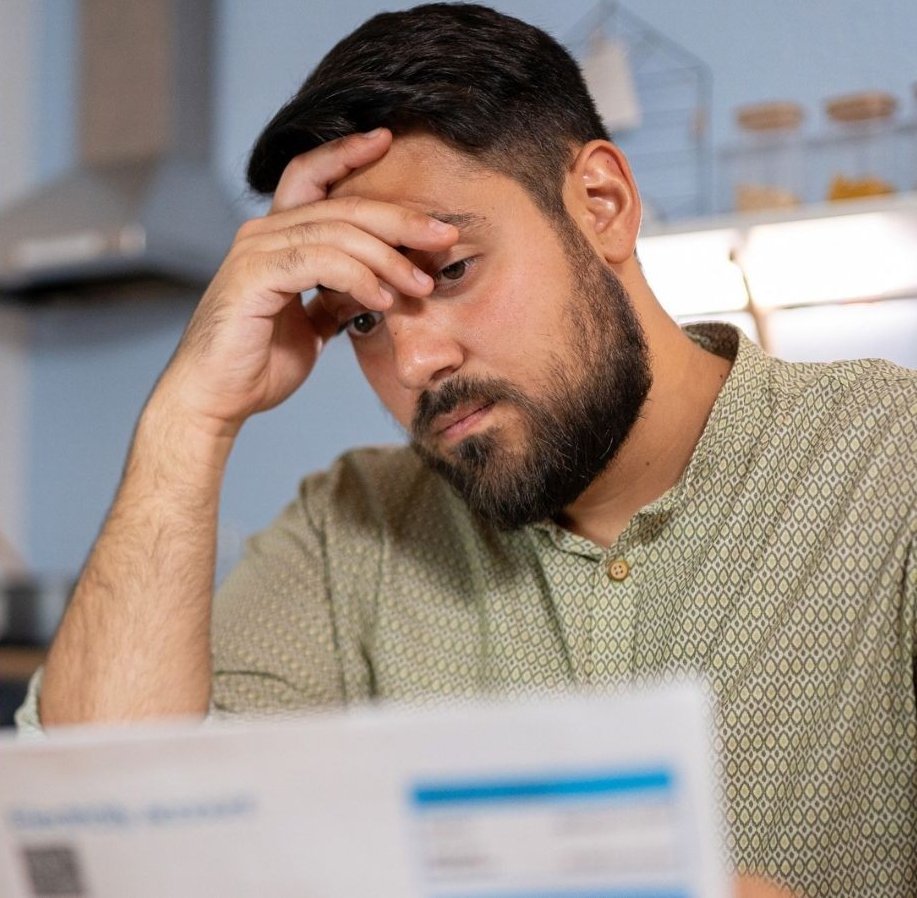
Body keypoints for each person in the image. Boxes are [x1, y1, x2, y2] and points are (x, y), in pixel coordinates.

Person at [16, 4, 915, 896]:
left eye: (450, 270)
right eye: (362, 316)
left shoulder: (892, 466)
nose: (413, 362)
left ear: (600, 205)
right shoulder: (349, 529)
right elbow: (108, 828)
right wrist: (193, 414)